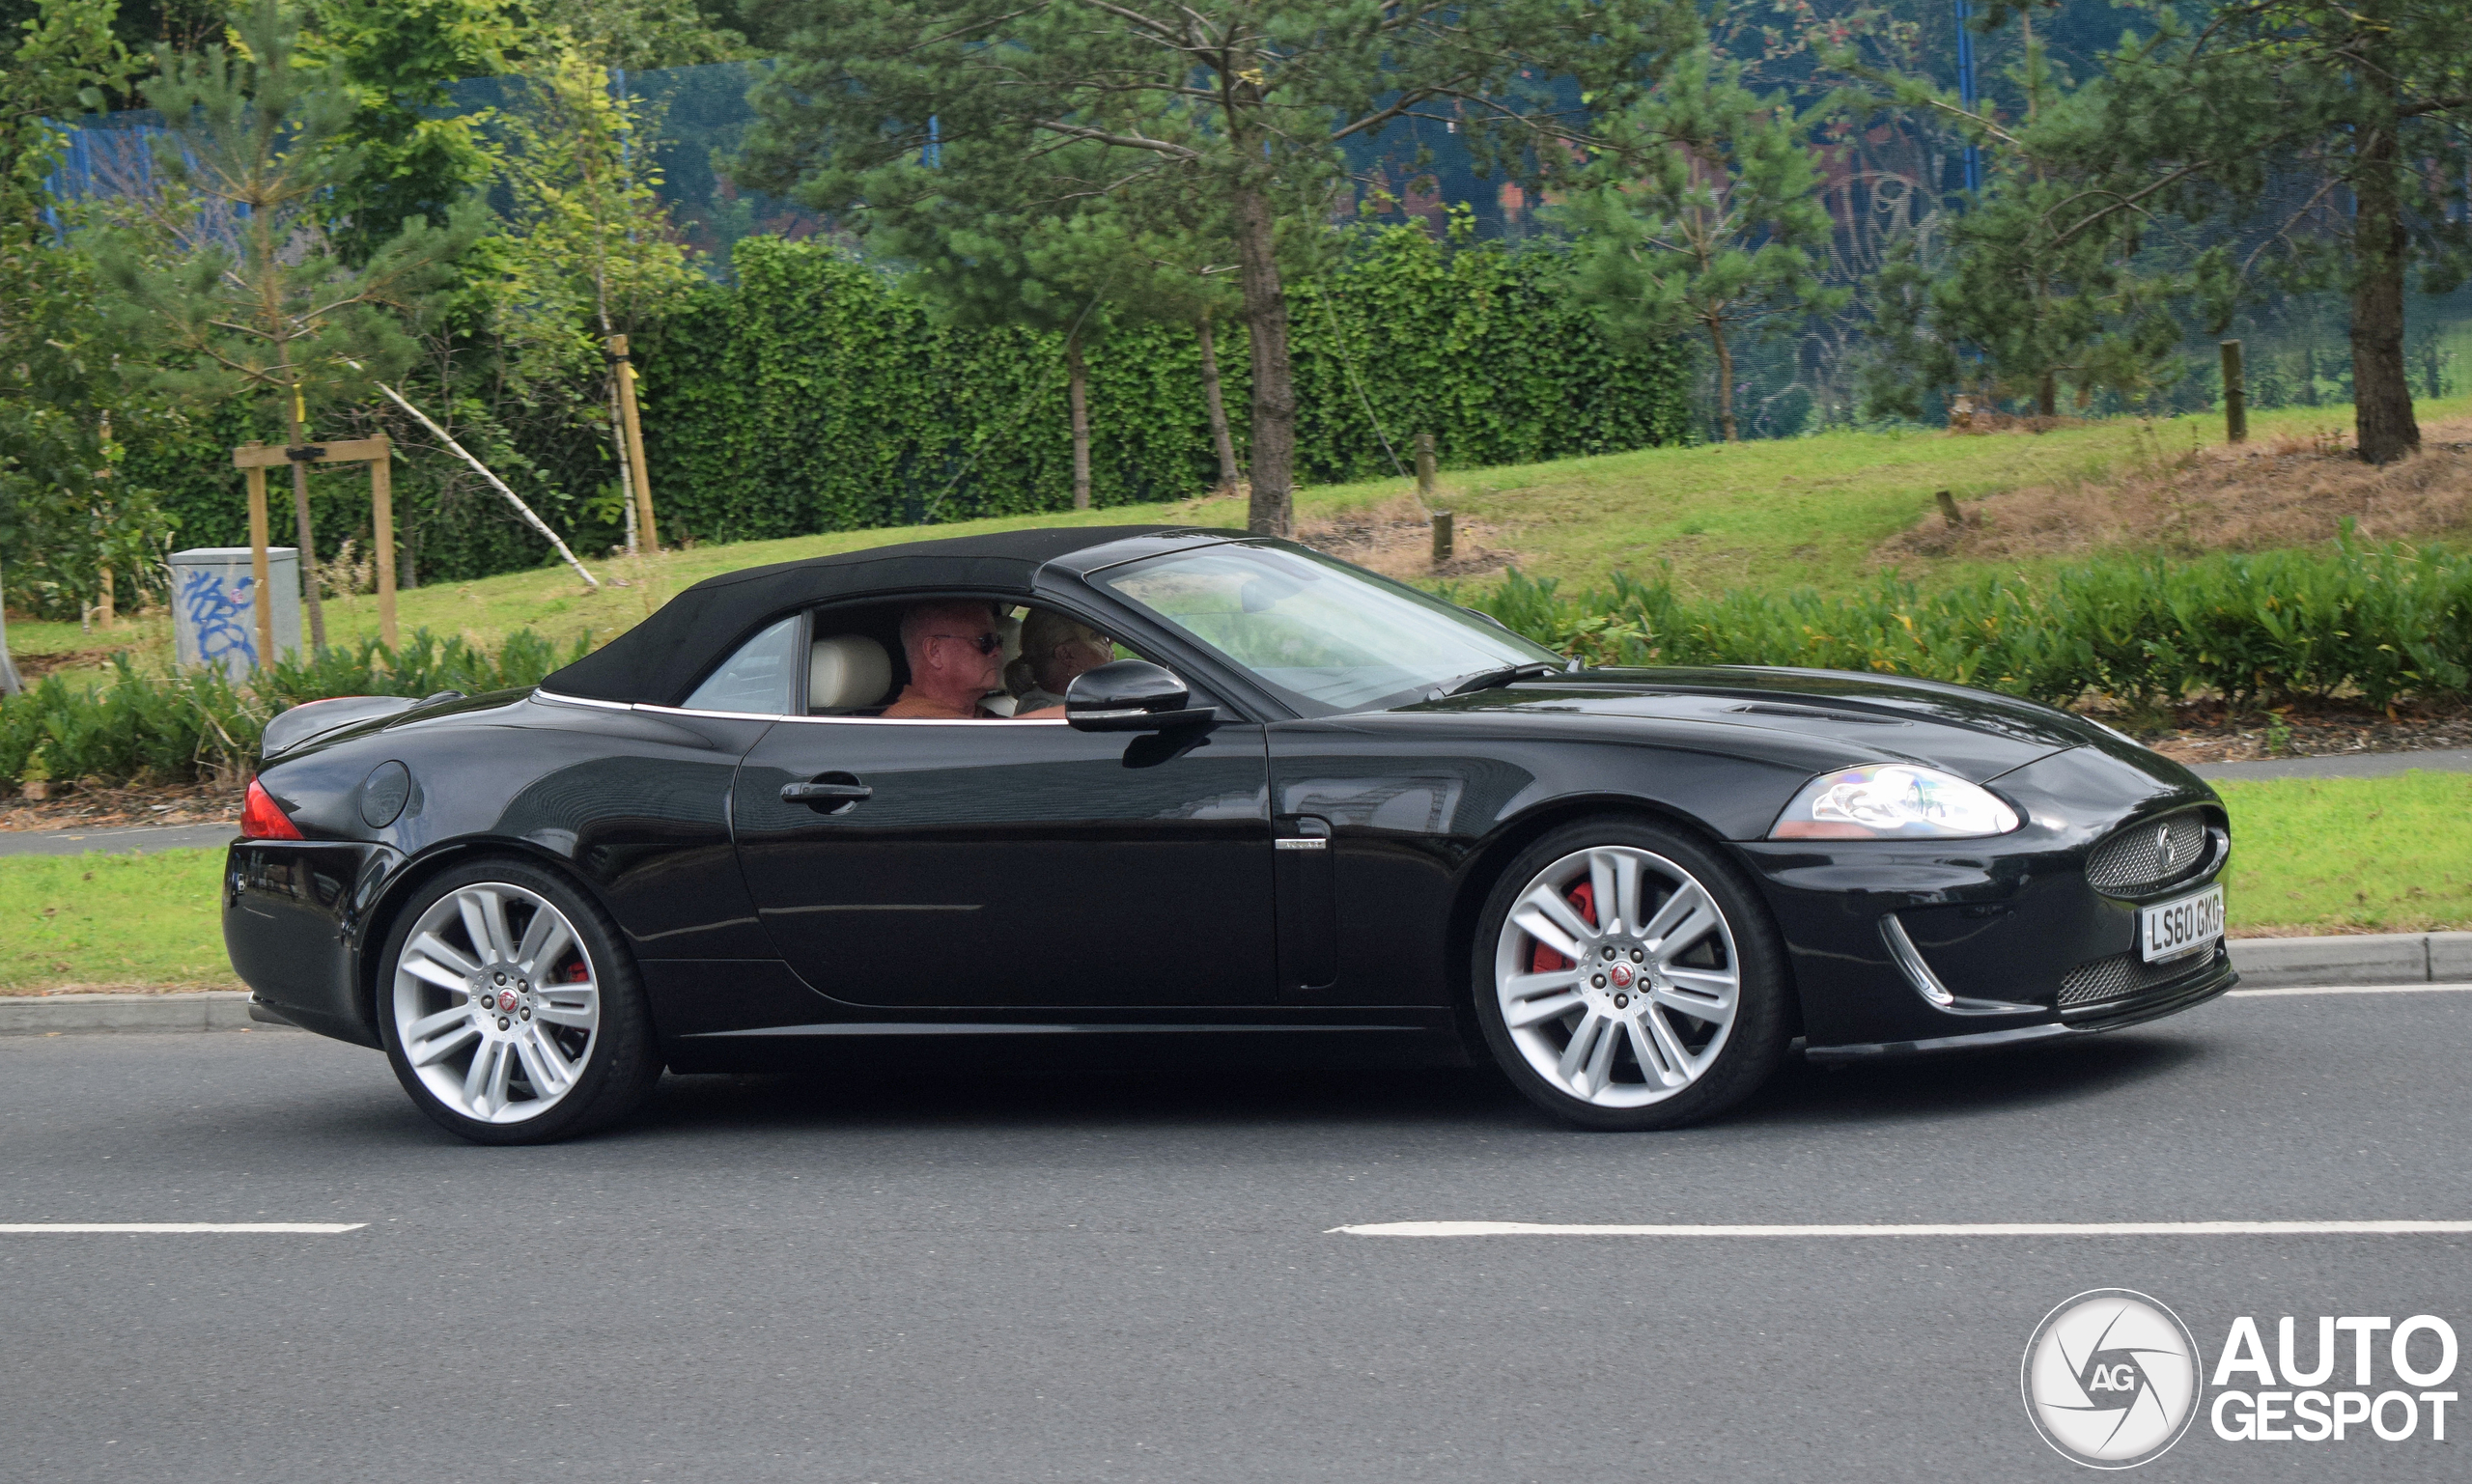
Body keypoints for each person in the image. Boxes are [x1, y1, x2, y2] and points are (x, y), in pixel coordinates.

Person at [1010, 609, 1115, 713]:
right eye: (1096, 636)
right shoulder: (1055, 715)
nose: (1111, 642)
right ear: (1066, 655)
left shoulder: (1049, 705)